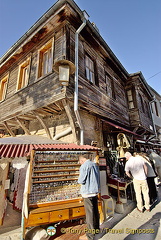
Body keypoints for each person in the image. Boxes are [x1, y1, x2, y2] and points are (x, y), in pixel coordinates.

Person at [78, 154, 100, 240]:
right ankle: (96, 229)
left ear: (82, 160)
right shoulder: (94, 164)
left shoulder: (84, 166)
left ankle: (90, 236)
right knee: (95, 211)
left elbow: (81, 180)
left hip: (87, 192)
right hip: (94, 191)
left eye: (80, 162)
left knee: (89, 214)